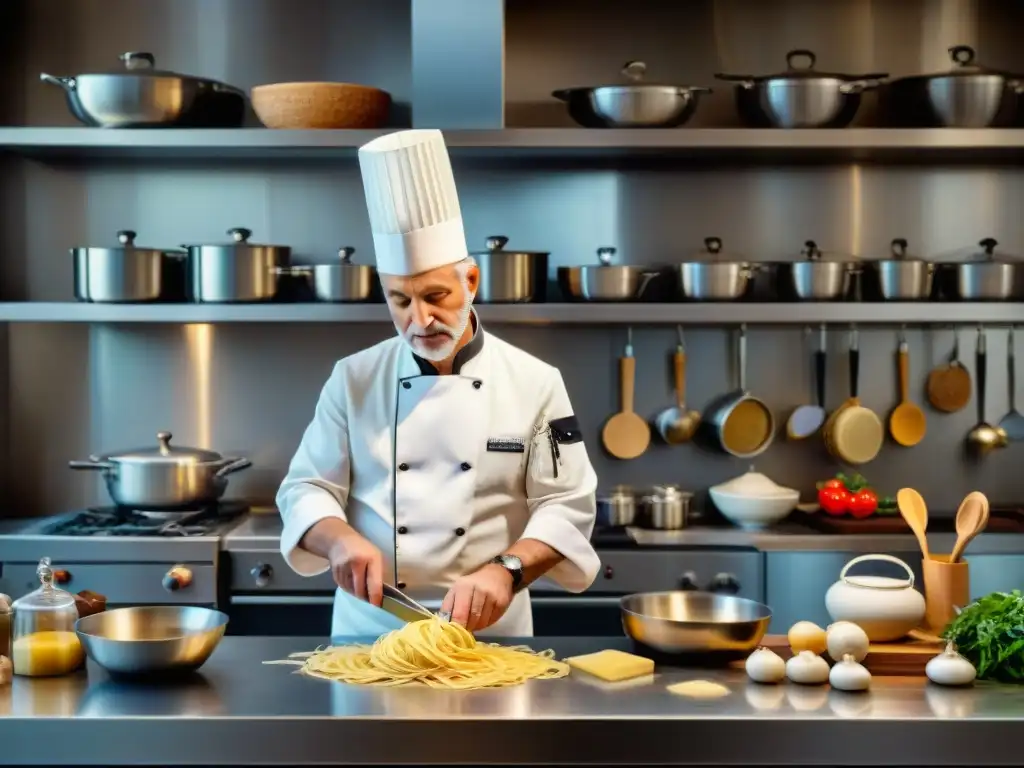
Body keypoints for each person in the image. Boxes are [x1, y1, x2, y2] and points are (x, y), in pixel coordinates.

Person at [276, 129, 599, 638]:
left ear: (470, 282)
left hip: (490, 635)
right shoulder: (354, 378)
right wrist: (337, 540)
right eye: (400, 301)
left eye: (436, 295)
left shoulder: (536, 383)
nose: (420, 319)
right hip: (372, 631)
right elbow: (306, 487)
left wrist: (508, 570)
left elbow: (567, 503)